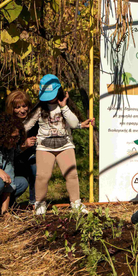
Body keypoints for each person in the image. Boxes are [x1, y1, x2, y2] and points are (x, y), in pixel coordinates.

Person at [24, 74, 94, 215]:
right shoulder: (39, 109)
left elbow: (74, 124)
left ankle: (76, 203)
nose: (49, 98)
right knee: (42, 176)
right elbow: (26, 125)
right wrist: (17, 134)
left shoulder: (65, 107)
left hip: (65, 145)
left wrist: (64, 107)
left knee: (71, 175)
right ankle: (40, 204)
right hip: (44, 147)